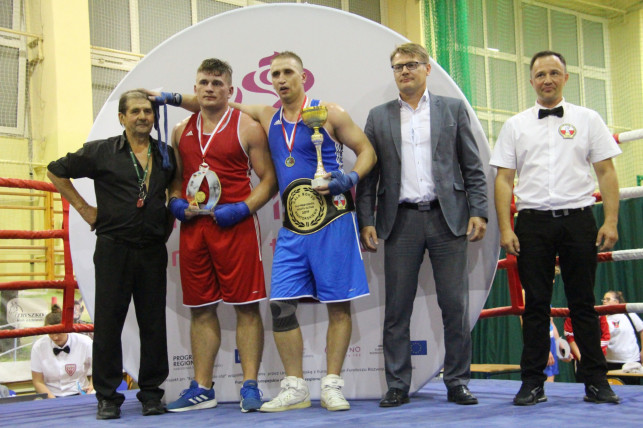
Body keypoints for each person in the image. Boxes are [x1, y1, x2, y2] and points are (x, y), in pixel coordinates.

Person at [160, 52, 375, 412]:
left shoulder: (329, 112)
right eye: (275, 74)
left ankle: (332, 384)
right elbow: (213, 101)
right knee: (280, 306)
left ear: (303, 76)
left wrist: (350, 178)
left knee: (338, 304)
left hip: (333, 220)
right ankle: (295, 386)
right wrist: (170, 98)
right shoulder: (266, 115)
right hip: (293, 226)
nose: (281, 79)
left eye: (288, 72)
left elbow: (367, 150)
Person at [355, 42, 487, 407]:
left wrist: (479, 210)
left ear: (427, 69)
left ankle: (457, 382)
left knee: (455, 306)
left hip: (449, 219)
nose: (404, 71)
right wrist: (366, 219)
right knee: (397, 308)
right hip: (400, 221)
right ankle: (397, 384)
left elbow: (472, 167)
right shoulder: (378, 117)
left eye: (411, 64)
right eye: (398, 66)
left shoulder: (453, 109)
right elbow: (368, 177)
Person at [491, 50, 622, 405]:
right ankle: (532, 383)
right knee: (535, 304)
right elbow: (503, 180)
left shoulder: (588, 119)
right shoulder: (515, 125)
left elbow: (606, 171)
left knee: (584, 303)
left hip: (579, 219)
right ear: (531, 81)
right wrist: (506, 228)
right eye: (540, 74)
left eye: (553, 73)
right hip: (532, 222)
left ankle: (596, 382)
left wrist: (611, 220)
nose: (547, 79)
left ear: (565, 77)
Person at [47, 90, 175, 419]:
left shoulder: (166, 153)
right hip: (113, 248)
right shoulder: (102, 151)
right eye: (135, 111)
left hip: (152, 250)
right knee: (107, 324)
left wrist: (167, 222)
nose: (143, 116)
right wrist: (84, 209)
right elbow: (55, 170)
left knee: (153, 324)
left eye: (147, 111)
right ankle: (107, 397)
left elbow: (174, 189)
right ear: (122, 117)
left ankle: (151, 394)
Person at [160, 58, 276, 414]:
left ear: (230, 90)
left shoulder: (247, 127)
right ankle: (202, 388)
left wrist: (243, 209)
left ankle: (250, 385)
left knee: (246, 306)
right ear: (195, 88)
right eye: (204, 83)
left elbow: (269, 180)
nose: (210, 88)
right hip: (194, 230)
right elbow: (176, 179)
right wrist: (175, 201)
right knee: (201, 308)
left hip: (236, 227)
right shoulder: (180, 130)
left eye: (217, 83)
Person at [31, 307, 93, 398]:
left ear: (67, 328)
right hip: (50, 395)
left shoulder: (85, 342)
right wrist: (54, 401)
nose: (55, 337)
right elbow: (38, 381)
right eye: (50, 333)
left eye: (58, 333)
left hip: (80, 393)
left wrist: (92, 385)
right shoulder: (38, 346)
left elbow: (99, 369)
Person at [602, 291, 643, 385]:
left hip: (630, 361)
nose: (604, 301)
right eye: (603, 299)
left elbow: (642, 330)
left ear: (616, 302)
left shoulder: (629, 315)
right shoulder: (602, 318)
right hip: (610, 362)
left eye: (608, 299)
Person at [563, 315, 610, 382]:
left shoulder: (599, 314)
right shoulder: (573, 315)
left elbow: (606, 336)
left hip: (597, 358)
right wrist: (581, 358)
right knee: (582, 383)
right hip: (581, 359)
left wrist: (596, 356)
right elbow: (570, 338)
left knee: (599, 382)